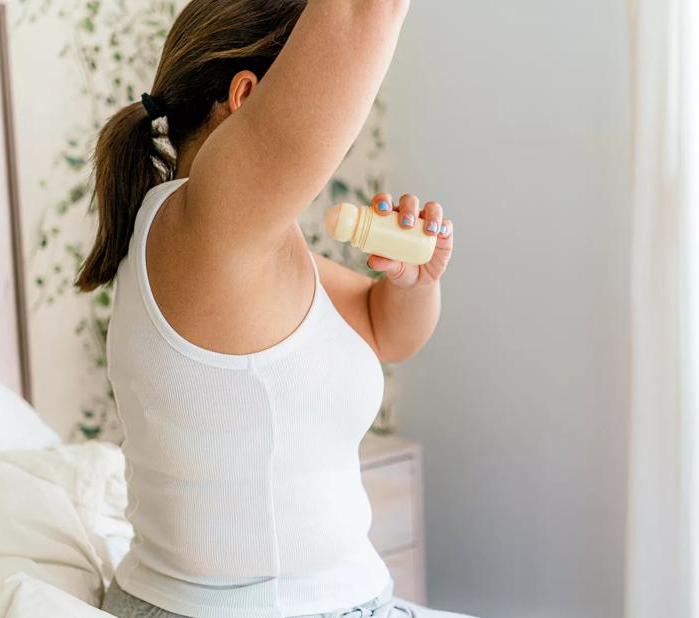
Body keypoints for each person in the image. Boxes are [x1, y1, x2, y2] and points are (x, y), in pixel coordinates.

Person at [75, 1, 470, 616]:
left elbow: (384, 330)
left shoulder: (233, 242)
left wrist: (415, 282)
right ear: (245, 95)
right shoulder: (207, 226)